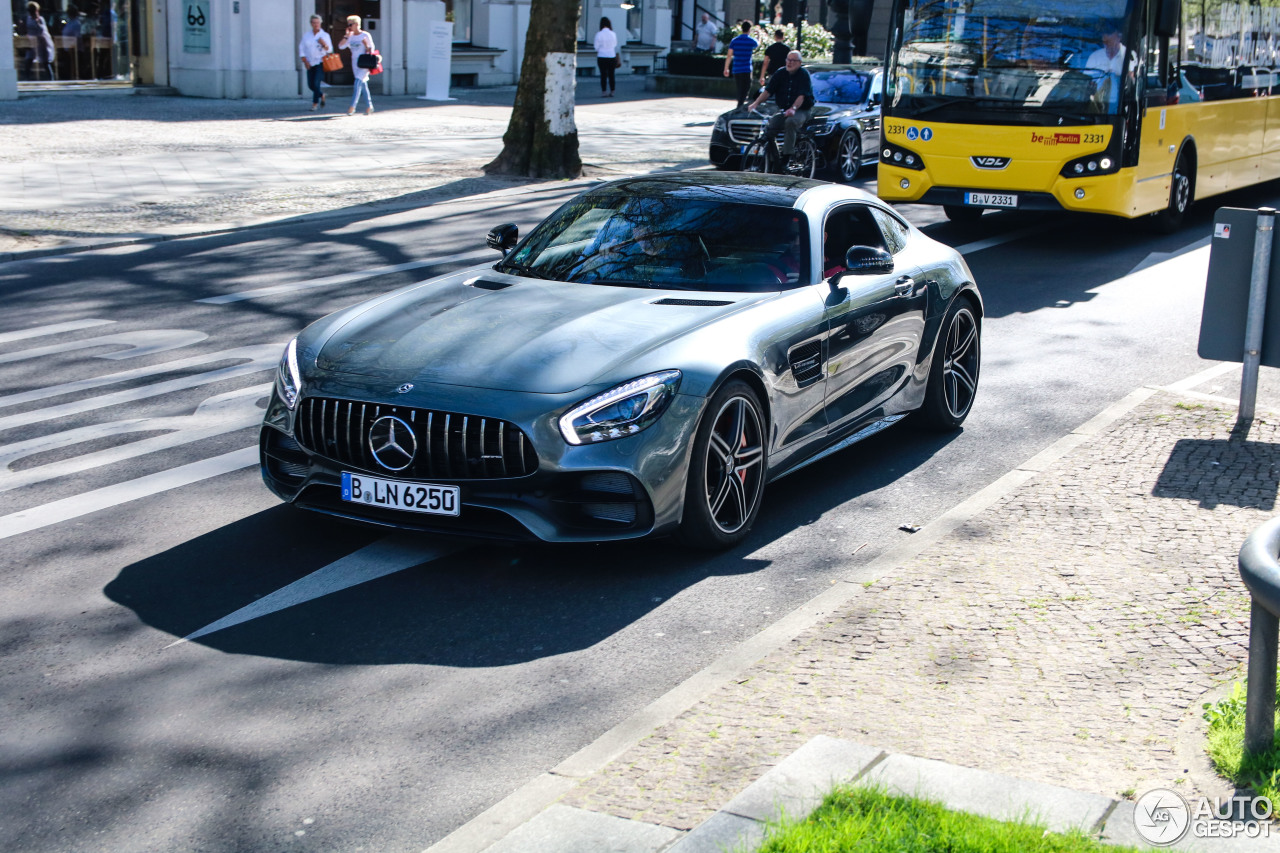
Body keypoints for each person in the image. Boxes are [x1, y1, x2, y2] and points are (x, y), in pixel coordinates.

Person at [747, 50, 814, 164]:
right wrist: (755, 103)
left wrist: (793, 109)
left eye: (793, 60)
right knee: (770, 127)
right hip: (785, 110)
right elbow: (768, 91)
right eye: (788, 60)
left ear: (799, 63)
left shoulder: (803, 74)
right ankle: (775, 158)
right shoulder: (780, 73)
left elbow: (802, 96)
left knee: (791, 122)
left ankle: (787, 156)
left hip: (802, 110)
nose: (790, 63)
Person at [339, 15, 376, 116]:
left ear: (356, 24)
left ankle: (352, 107)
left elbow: (371, 50)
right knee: (363, 84)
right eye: (348, 24)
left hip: (364, 63)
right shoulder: (350, 37)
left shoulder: (365, 35)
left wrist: (366, 45)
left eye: (351, 24)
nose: (349, 26)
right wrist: (346, 36)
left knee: (357, 83)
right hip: (355, 63)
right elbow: (341, 46)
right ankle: (369, 106)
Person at [1086, 24, 1126, 111]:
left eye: (1109, 42)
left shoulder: (1128, 56)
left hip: (1119, 107)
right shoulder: (1095, 56)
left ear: (1118, 38)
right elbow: (1087, 82)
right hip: (1096, 105)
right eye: (1104, 43)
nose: (1106, 46)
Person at [298, 14, 332, 111]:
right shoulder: (307, 35)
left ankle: (314, 104)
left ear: (320, 23)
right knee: (310, 85)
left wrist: (324, 44)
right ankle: (322, 94)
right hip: (309, 61)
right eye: (314, 22)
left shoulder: (325, 35)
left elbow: (330, 50)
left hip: (320, 61)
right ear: (311, 24)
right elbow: (302, 48)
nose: (316, 24)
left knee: (316, 83)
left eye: (317, 22)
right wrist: (304, 60)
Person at [723, 21, 758, 108]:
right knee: (746, 88)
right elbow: (757, 44)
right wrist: (758, 36)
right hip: (746, 68)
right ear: (749, 29)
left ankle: (740, 103)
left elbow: (729, 55)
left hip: (737, 68)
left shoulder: (734, 41)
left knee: (740, 88)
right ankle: (740, 105)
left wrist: (726, 68)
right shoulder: (751, 41)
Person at [23, 2, 56, 81]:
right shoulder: (28, 19)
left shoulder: (40, 19)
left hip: (41, 42)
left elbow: (42, 30)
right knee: (29, 60)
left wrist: (37, 21)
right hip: (31, 42)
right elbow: (25, 29)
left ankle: (51, 79)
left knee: (45, 62)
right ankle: (27, 78)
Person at [594, 17, 618, 97]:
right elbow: (615, 44)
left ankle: (604, 91)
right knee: (612, 74)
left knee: (603, 75)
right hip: (612, 55)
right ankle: (612, 91)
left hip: (602, 56)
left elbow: (596, 47)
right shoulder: (613, 34)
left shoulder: (599, 34)